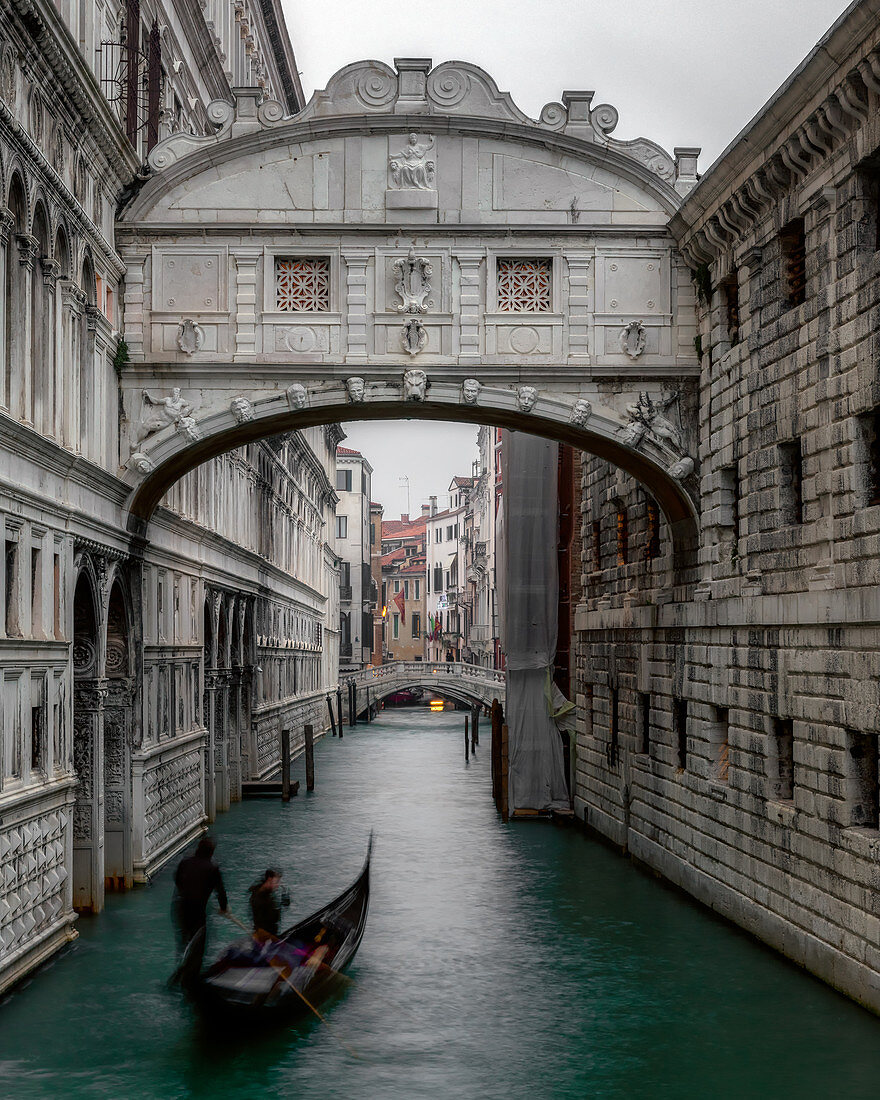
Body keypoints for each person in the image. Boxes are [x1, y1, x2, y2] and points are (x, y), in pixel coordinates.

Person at [170, 836, 227, 985]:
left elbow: (177, 879)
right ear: (211, 852)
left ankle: (182, 970)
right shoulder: (212, 868)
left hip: (181, 908)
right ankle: (189, 979)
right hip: (197, 911)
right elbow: (220, 891)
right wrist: (223, 908)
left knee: (186, 940)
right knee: (198, 946)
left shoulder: (185, 862)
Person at [249, 868, 290, 938]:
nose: (278, 885)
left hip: (266, 934)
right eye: (276, 882)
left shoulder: (260, 892)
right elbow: (269, 920)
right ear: (269, 879)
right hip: (266, 936)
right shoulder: (261, 899)